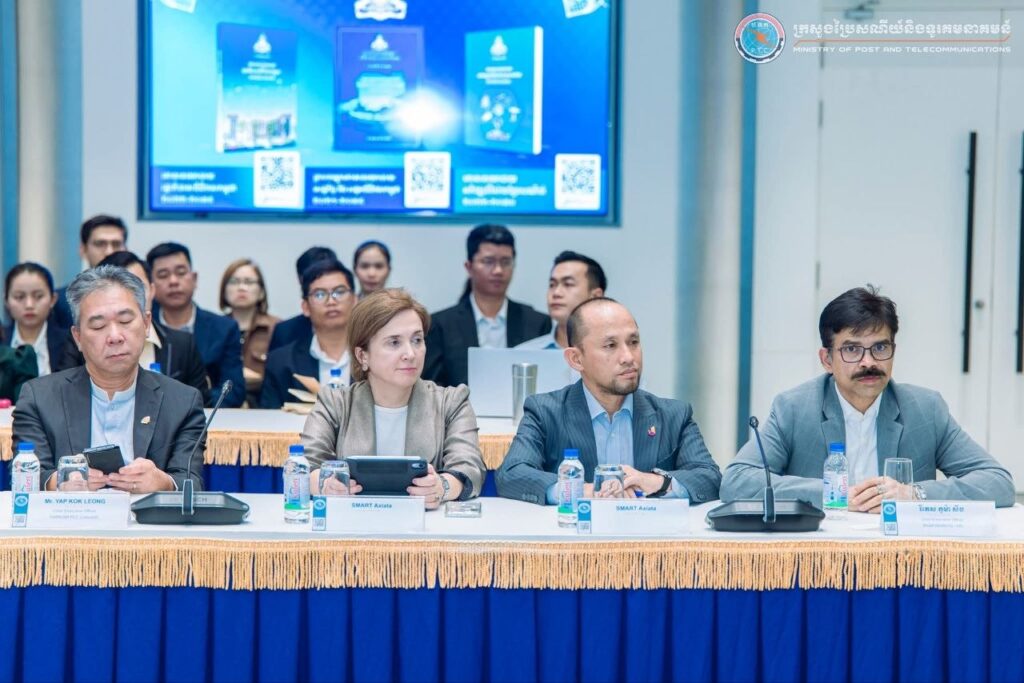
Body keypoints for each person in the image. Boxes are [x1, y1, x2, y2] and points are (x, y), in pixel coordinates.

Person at [720, 286, 1015, 511]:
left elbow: (998, 483)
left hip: (902, 557)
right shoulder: (794, 408)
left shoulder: (925, 410)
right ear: (826, 359)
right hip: (821, 555)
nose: (868, 362)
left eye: (880, 348)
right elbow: (737, 481)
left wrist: (913, 494)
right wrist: (834, 494)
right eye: (852, 349)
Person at [496, 297, 721, 505]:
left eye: (633, 342)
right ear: (576, 359)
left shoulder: (673, 415)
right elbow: (511, 474)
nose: (628, 357)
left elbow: (709, 477)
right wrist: (583, 490)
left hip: (648, 535)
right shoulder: (545, 412)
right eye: (610, 346)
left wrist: (656, 482)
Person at [12, 265, 206, 491]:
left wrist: (164, 483)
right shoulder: (39, 398)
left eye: (125, 321)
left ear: (146, 324)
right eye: (98, 325)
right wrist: (60, 481)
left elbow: (190, 481)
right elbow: (27, 475)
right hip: (70, 514)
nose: (115, 336)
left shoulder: (183, 402)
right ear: (78, 337)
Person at [301, 289, 485, 507]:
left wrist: (442, 487)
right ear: (362, 355)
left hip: (428, 523)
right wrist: (325, 484)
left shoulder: (451, 402)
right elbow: (305, 465)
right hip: (354, 520)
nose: (411, 353)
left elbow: (469, 468)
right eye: (394, 342)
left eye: (417, 340)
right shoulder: (335, 403)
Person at [55, 251, 211, 404]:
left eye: (136, 287)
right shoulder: (82, 339)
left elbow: (201, 405)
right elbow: (63, 394)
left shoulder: (182, 344)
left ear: (152, 290)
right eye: (99, 326)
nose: (126, 297)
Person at [424, 224, 551, 387]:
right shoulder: (440, 325)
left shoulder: (537, 323)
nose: (498, 270)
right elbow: (433, 387)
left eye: (506, 262)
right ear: (469, 267)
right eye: (488, 261)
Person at [146, 242, 245, 407]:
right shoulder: (143, 326)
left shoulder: (224, 329)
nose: (173, 281)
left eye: (181, 273)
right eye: (163, 275)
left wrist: (190, 408)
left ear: (194, 278)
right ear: (152, 286)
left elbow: (233, 391)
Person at [260, 259, 355, 409]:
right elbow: (269, 419)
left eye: (339, 292)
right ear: (305, 307)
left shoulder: (377, 357)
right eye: (320, 294)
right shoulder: (280, 362)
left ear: (355, 300)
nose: (331, 301)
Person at [50, 214, 128, 329]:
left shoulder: (140, 295)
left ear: (126, 249)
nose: (109, 251)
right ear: (83, 250)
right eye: (100, 244)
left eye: (116, 244)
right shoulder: (61, 302)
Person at [517, 250, 607, 350]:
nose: (556, 293)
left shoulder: (615, 353)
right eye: (552, 285)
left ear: (595, 296)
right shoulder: (524, 353)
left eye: (568, 284)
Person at [219, 259, 279, 406]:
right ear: (224, 290)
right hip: (223, 407)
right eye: (234, 282)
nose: (241, 287)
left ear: (261, 292)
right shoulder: (214, 328)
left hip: (265, 408)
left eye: (249, 282)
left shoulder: (277, 328)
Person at [268, 246, 337, 352]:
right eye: (315, 277)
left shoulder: (359, 328)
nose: (323, 283)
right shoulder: (284, 332)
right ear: (300, 280)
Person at [2, 262, 66, 377]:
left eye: (38, 296)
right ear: (6, 301)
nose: (29, 305)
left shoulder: (69, 343)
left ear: (53, 299)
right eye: (19, 297)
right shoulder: (1, 340)